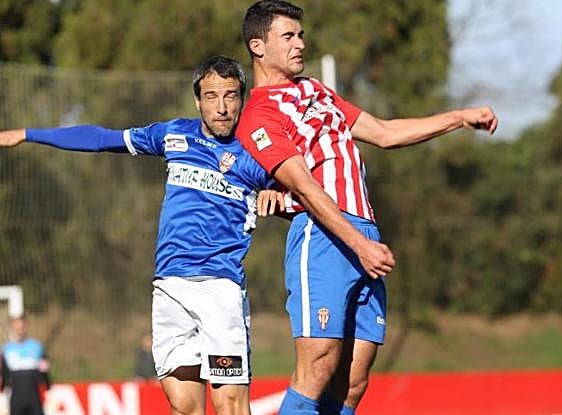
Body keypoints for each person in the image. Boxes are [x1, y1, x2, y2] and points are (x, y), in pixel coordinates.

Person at [237, 2, 499, 414]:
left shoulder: (316, 91)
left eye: (300, 35)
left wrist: (459, 118)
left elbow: (384, 132)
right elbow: (305, 187)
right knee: (318, 366)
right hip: (324, 237)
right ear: (258, 46)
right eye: (287, 36)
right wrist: (359, 245)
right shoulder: (259, 114)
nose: (299, 43)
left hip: (364, 232)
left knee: (354, 380)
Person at [0, 55, 284, 415]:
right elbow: (102, 139)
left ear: (242, 98)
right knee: (184, 405)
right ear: (197, 101)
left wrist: (277, 191)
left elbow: (299, 192)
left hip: (220, 289)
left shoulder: (257, 151)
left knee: (228, 403)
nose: (222, 107)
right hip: (169, 289)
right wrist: (29, 134)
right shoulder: (174, 135)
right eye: (212, 96)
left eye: (230, 96)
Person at [1, 315, 51, 415]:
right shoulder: (6, 349)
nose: (20, 331)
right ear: (12, 328)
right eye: (17, 328)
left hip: (34, 399)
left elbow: (44, 374)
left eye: (22, 328)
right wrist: (2, 393)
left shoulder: (37, 347)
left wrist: (49, 390)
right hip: (16, 400)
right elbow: (4, 375)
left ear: (26, 327)